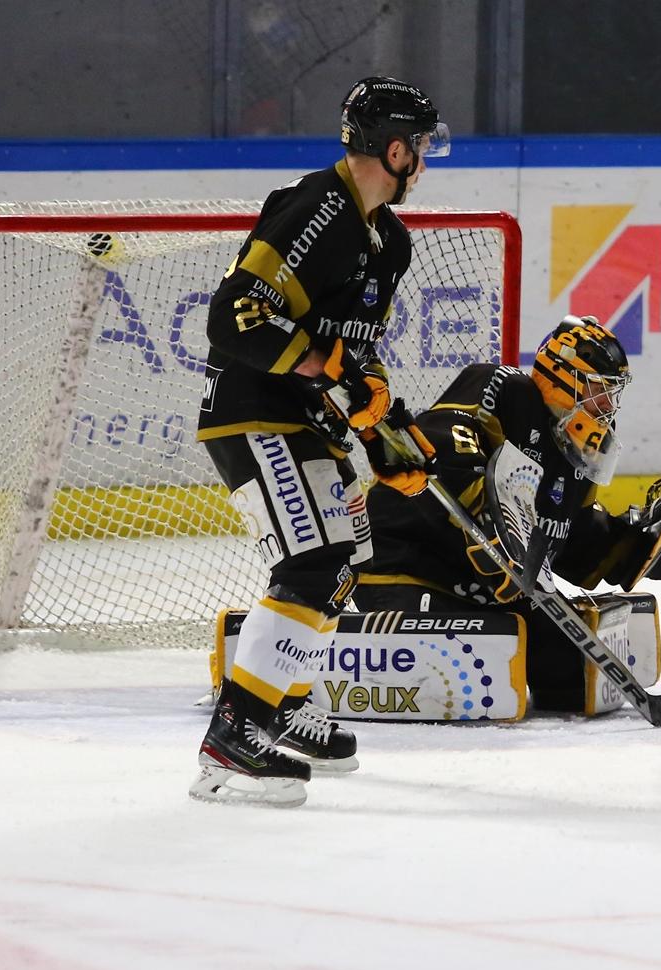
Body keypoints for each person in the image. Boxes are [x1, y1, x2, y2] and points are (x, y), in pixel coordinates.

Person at [191, 76, 450, 807]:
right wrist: (324, 363)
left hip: (307, 419)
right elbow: (234, 317)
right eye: (419, 145)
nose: (423, 161)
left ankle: (285, 706)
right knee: (313, 566)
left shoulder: (389, 240)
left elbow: (352, 354)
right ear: (394, 150)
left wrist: (386, 428)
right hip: (254, 412)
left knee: (341, 568)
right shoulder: (316, 208)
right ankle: (233, 738)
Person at [350, 319, 661, 702]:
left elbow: (573, 544)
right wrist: (486, 513)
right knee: (474, 674)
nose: (608, 406)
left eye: (614, 394)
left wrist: (642, 547)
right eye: (599, 390)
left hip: (485, 592)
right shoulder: (505, 389)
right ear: (561, 377)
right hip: (404, 568)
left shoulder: (575, 454)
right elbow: (442, 439)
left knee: (573, 674)